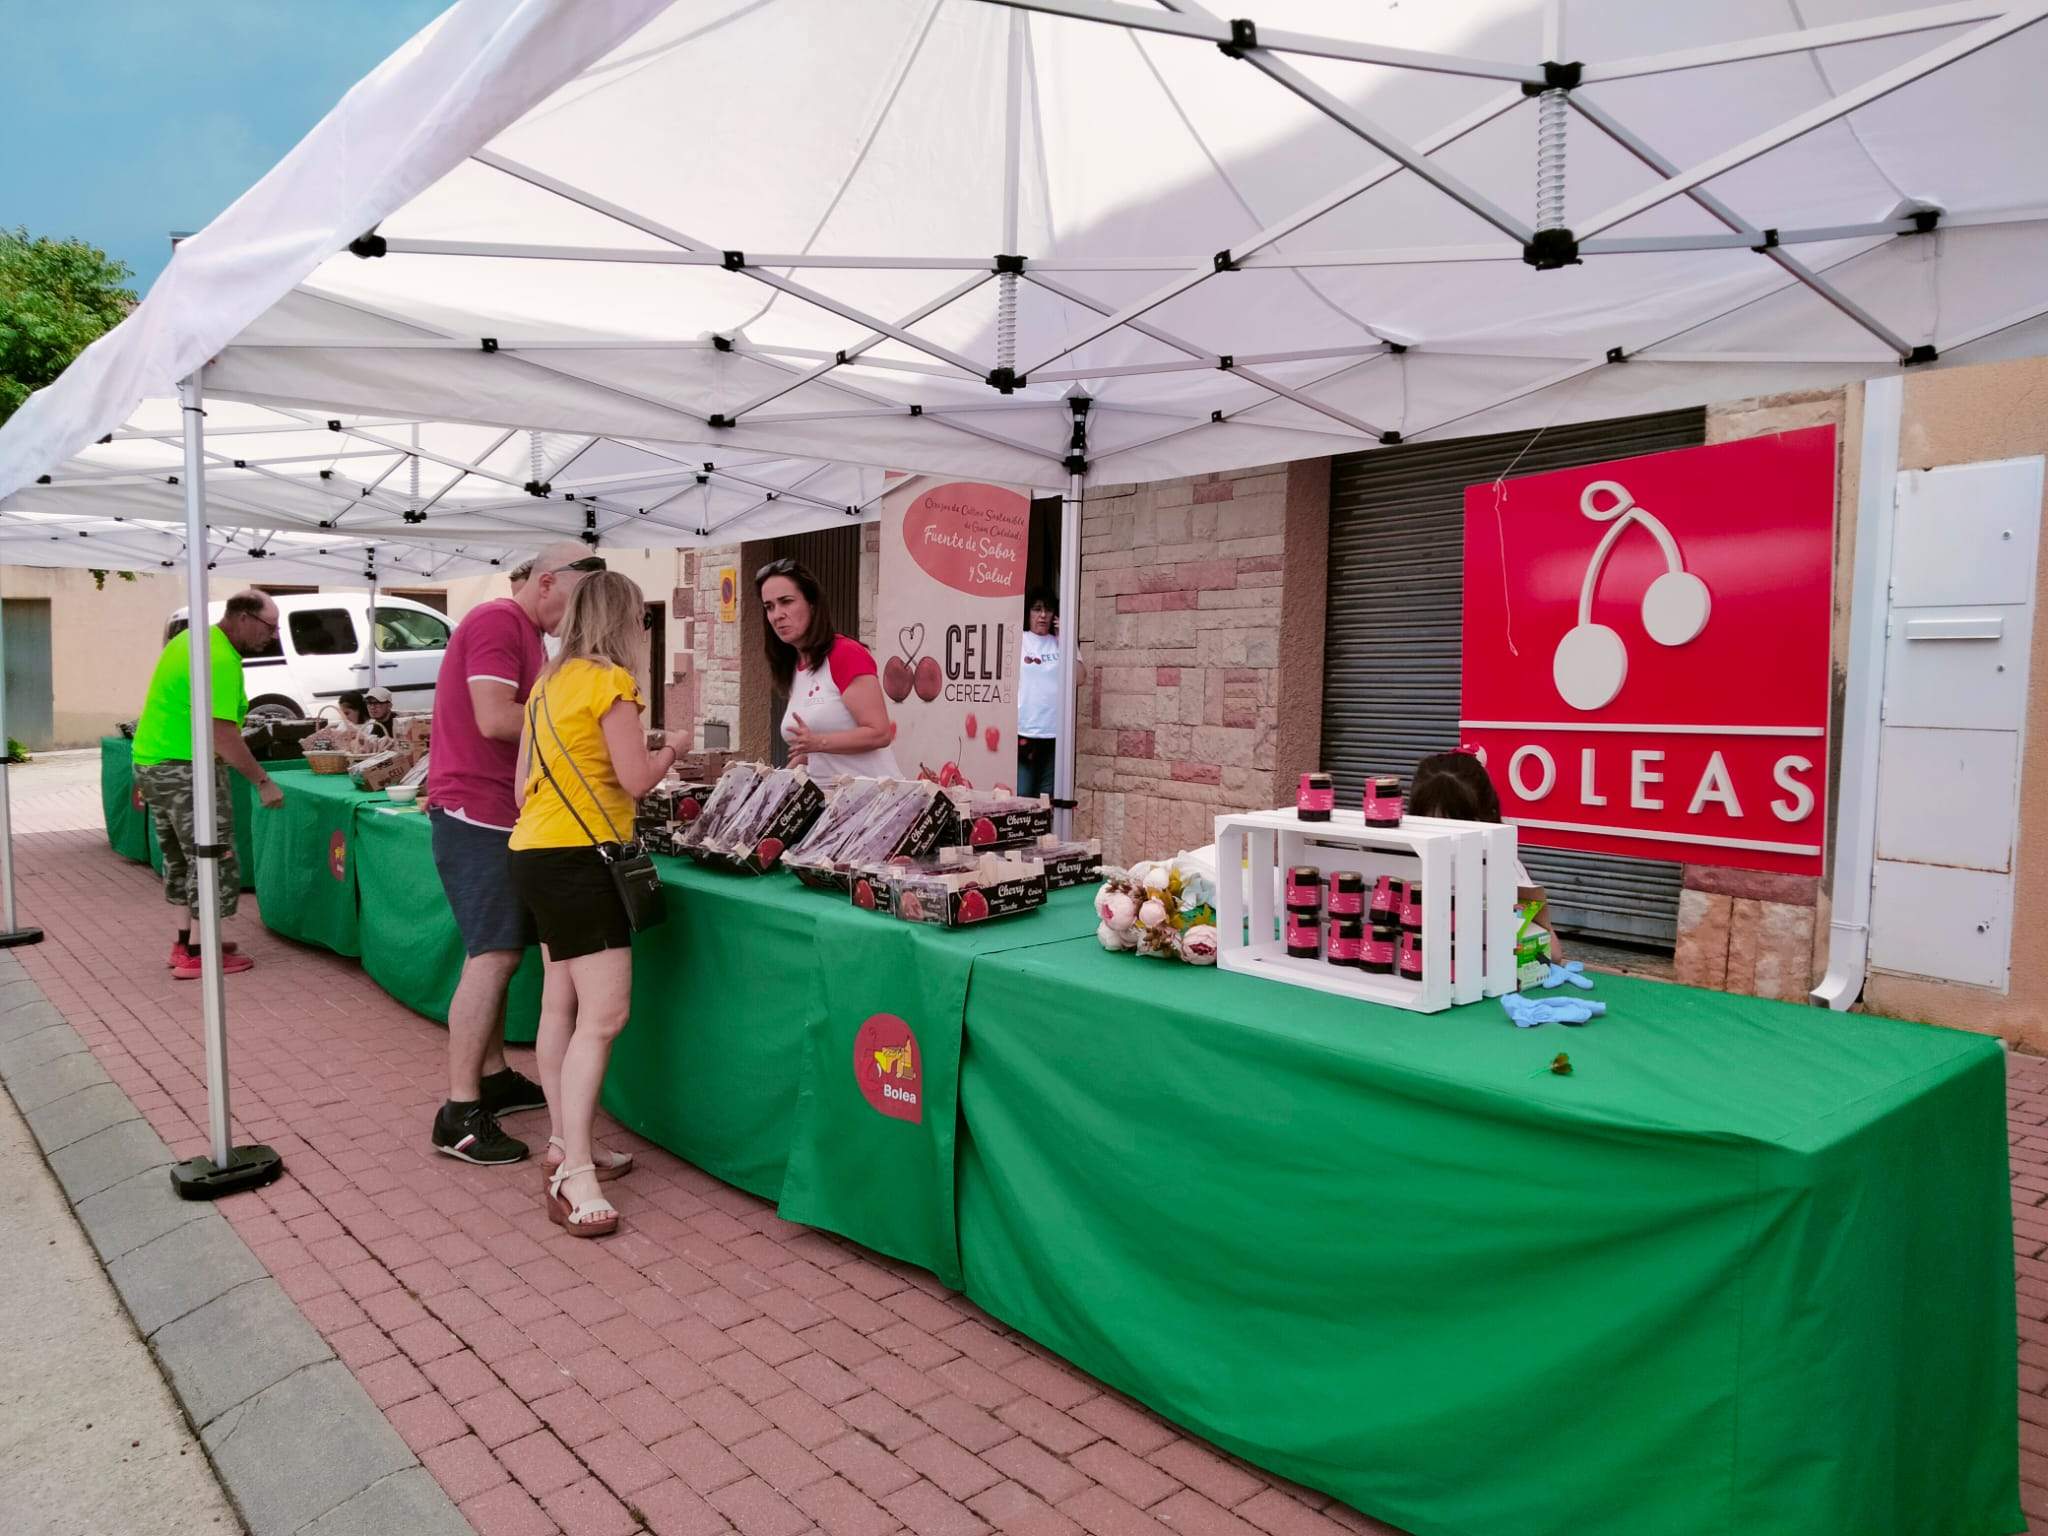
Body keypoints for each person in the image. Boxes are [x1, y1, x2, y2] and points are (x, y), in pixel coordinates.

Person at [510, 572, 689, 1236]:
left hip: (534, 851)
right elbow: (635, 780)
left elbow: (521, 789)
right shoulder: (612, 683)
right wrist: (674, 748)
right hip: (580, 862)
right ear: (624, 621)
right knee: (605, 1016)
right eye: (641, 618)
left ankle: (566, 1143)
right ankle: (574, 1174)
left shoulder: (546, 684)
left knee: (559, 1004)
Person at [427, 541, 604, 1166]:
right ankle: (458, 1112)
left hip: (500, 812)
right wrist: (583, 721)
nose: (577, 619)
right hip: (477, 811)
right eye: (577, 602)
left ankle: (494, 1076)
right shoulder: (499, 621)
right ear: (547, 582)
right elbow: (496, 718)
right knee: (494, 954)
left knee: (501, 949)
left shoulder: (526, 634)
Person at [131, 591, 286, 980]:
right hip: (186, 768)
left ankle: (186, 943)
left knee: (180, 857)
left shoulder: (192, 639)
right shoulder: (218, 658)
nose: (273, 636)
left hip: (152, 762)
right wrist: (263, 781)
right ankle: (201, 954)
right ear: (244, 617)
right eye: (270, 627)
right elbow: (222, 734)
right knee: (211, 855)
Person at [1408, 749, 1561, 955]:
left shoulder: (1501, 865)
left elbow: (1552, 951)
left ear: (1485, 819)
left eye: (1456, 827)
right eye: (1432, 826)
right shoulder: (1393, 856)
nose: (1444, 840)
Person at [757, 558, 899, 777]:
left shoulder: (845, 653)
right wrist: (775, 780)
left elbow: (880, 733)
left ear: (812, 604)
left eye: (786, 602)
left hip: (872, 795)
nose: (777, 615)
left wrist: (817, 742)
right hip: (826, 795)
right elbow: (816, 751)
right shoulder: (796, 666)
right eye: (769, 607)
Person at [1015, 587, 1080, 799]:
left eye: (1048, 610)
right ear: (1028, 613)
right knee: (1023, 795)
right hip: (1025, 731)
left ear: (1055, 615)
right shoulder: (1019, 640)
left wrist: (1064, 640)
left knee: (1046, 798)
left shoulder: (1061, 643)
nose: (1042, 615)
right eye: (1037, 609)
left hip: (1054, 734)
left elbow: (1080, 677)